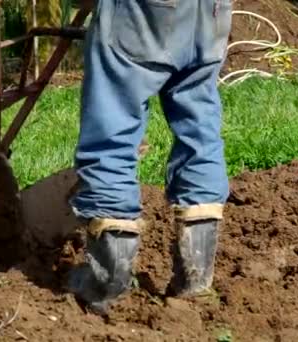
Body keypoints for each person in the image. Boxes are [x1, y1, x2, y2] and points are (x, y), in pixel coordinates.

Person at [67, 0, 233, 314]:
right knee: (200, 130)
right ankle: (196, 282)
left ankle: (107, 285)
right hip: (211, 10)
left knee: (112, 123)